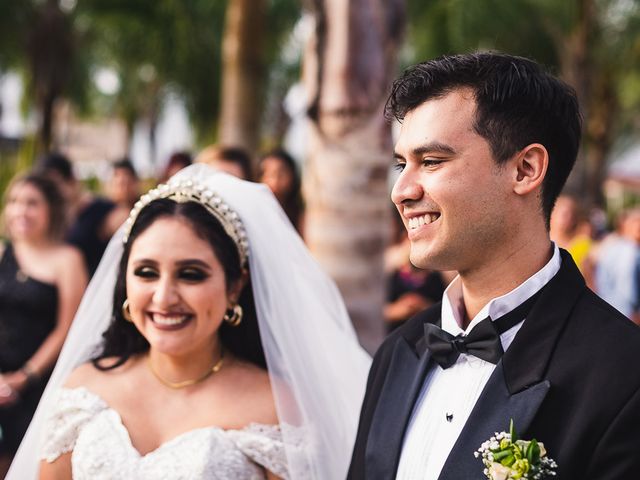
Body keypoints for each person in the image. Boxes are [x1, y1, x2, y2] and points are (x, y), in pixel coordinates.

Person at [348, 52, 640, 480]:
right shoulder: (398, 351)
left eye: (431, 162)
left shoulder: (623, 374)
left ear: (525, 169)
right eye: (401, 164)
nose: (402, 191)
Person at [7, 164, 370, 480]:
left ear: (235, 286)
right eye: (146, 272)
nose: (164, 297)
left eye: (191, 275)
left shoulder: (277, 409)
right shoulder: (83, 392)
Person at [0, 173, 87, 478]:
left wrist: (23, 377)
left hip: (41, 383)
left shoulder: (68, 260)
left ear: (50, 210)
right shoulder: (1, 253)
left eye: (31, 203)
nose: (20, 210)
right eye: (14, 202)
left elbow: (67, 329)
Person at [36, 153, 121, 277]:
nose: (53, 193)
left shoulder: (104, 211)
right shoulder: (54, 216)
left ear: (71, 181)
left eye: (55, 185)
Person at [258, 149, 304, 232]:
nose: (275, 180)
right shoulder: (254, 213)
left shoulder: (302, 217)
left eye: (281, 174)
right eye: (268, 174)